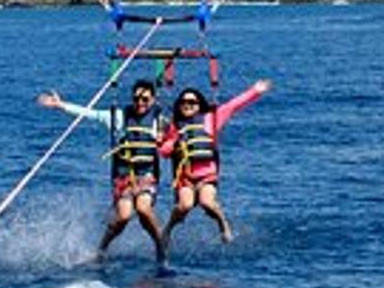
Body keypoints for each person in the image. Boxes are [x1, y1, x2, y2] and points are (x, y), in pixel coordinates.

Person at [38, 78, 170, 264]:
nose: (140, 103)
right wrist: (61, 105)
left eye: (145, 99)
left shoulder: (160, 121)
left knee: (143, 209)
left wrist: (165, 139)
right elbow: (89, 113)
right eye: (137, 98)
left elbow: (176, 137)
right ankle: (103, 248)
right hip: (123, 175)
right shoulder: (118, 117)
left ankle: (160, 246)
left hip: (147, 175)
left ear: (153, 100)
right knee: (123, 217)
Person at [161, 78, 272, 246]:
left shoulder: (211, 119)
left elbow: (233, 105)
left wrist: (255, 91)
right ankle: (168, 229)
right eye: (183, 102)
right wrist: (171, 144)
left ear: (199, 104)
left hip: (206, 176)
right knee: (184, 206)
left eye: (192, 102)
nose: (187, 105)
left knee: (207, 203)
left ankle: (223, 225)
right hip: (185, 178)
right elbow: (164, 151)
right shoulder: (175, 126)